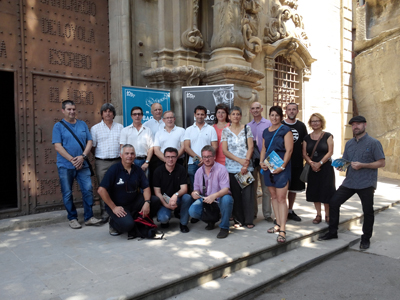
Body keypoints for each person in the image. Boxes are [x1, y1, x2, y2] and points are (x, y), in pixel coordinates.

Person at [319, 116, 385, 250]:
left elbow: (381, 162)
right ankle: (332, 232)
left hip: (366, 182)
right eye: (353, 125)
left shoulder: (374, 143)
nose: (355, 127)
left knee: (367, 211)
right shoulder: (349, 144)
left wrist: (363, 165)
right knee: (334, 202)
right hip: (349, 181)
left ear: (365, 125)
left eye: (358, 124)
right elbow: (346, 162)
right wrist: (341, 165)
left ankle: (365, 239)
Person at [52, 100, 102, 229]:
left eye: (73, 109)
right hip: (65, 165)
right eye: (69, 109)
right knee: (67, 192)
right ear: (63, 110)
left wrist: (83, 157)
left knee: (88, 190)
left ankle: (89, 217)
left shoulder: (82, 124)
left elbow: (89, 141)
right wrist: (73, 160)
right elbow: (58, 146)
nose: (72, 111)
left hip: (83, 164)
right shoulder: (58, 126)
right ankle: (72, 218)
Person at [97, 144, 161, 236]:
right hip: (119, 206)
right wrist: (114, 207)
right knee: (128, 225)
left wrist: (147, 202)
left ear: (135, 156)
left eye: (132, 154)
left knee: (154, 200)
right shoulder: (114, 169)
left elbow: (146, 188)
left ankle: (140, 220)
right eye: (126, 153)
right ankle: (113, 223)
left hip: (134, 202)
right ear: (121, 155)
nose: (129, 156)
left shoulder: (138, 170)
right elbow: (101, 190)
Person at [260, 106, 293, 243]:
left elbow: (289, 150)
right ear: (269, 116)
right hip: (269, 167)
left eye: (277, 115)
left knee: (281, 198)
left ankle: (283, 229)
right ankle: (278, 224)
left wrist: (282, 166)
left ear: (281, 116)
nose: (274, 118)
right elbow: (263, 148)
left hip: (281, 167)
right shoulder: (265, 131)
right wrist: (261, 162)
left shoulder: (286, 130)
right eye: (272, 115)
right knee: (273, 196)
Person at [188, 145, 234, 239]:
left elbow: (226, 189)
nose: (207, 159)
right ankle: (210, 220)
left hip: (219, 199)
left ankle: (224, 227)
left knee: (227, 200)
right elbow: (196, 189)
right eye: (204, 157)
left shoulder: (221, 169)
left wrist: (214, 196)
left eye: (209, 156)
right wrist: (194, 193)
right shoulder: (199, 172)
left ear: (214, 157)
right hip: (206, 200)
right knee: (192, 211)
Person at [221, 106, 255, 228]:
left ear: (240, 116)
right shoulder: (225, 131)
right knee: (236, 195)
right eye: (233, 114)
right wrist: (239, 161)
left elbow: (250, 147)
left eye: (238, 114)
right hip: (231, 168)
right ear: (229, 117)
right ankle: (239, 220)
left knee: (248, 195)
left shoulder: (247, 128)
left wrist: (245, 163)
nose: (235, 116)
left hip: (246, 168)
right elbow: (225, 151)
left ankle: (249, 220)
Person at [90, 103, 123, 222]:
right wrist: (101, 157)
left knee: (118, 186)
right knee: (103, 187)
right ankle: (105, 212)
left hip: (117, 161)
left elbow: (122, 145)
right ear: (102, 114)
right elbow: (92, 147)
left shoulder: (120, 127)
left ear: (113, 114)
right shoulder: (95, 128)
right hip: (102, 162)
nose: (108, 113)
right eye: (105, 111)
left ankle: (118, 210)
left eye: (110, 111)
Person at [303, 113, 335, 224]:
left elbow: (330, 152)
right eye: (313, 121)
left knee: (326, 191)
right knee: (315, 192)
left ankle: (328, 214)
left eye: (317, 121)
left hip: (325, 168)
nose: (315, 123)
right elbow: (304, 153)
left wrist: (320, 163)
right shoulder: (307, 138)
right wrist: (312, 163)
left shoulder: (328, 136)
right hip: (313, 169)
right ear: (310, 123)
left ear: (321, 122)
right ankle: (318, 214)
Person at [153, 147, 192, 232]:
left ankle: (183, 223)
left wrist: (175, 195)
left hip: (178, 198)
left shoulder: (181, 169)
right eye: (168, 157)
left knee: (187, 197)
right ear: (164, 158)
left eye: (173, 157)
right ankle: (166, 219)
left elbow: (184, 188)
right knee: (163, 218)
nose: (170, 159)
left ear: (176, 158)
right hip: (164, 200)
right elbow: (157, 192)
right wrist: (166, 204)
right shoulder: (158, 171)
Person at [283, 103, 308, 222]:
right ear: (286, 111)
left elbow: (305, 143)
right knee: (282, 189)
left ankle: (290, 211)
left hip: (297, 162)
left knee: (293, 189)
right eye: (289, 109)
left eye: (294, 109)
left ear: (297, 111)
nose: (291, 111)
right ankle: (281, 213)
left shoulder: (301, 126)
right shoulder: (281, 125)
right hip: (283, 163)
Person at [248, 101, 272, 221]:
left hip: (266, 159)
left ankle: (267, 214)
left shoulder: (269, 123)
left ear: (262, 109)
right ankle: (253, 213)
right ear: (250, 111)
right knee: (252, 188)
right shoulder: (247, 126)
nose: (255, 110)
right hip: (252, 160)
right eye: (253, 108)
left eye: (258, 108)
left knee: (266, 188)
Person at [184, 105, 218, 188]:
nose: (200, 116)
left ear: (206, 115)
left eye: (202, 114)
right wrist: (199, 159)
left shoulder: (211, 129)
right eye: (198, 114)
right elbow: (186, 147)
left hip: (208, 162)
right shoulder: (189, 129)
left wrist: (206, 158)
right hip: (193, 163)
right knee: (195, 188)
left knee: (209, 187)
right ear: (194, 115)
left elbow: (215, 146)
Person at [120, 106, 154, 174]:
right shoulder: (125, 130)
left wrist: (147, 162)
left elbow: (151, 148)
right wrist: (129, 162)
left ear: (142, 116)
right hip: (130, 161)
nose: (137, 116)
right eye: (135, 114)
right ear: (131, 116)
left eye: (139, 114)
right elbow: (122, 147)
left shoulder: (148, 130)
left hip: (144, 161)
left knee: (144, 183)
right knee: (130, 183)